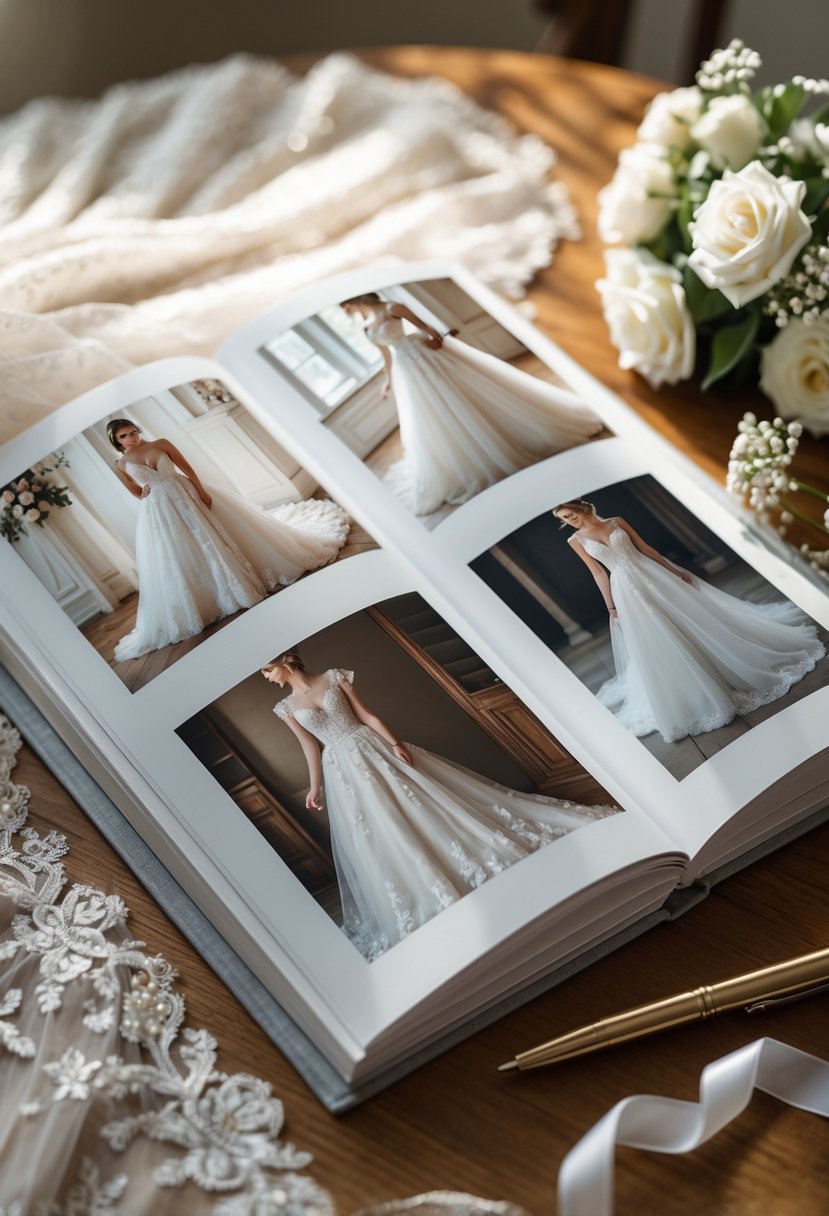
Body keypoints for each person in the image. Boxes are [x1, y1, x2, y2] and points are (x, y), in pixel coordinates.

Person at [262, 652, 616, 959]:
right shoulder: (285, 708)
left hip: (373, 747)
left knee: (425, 804)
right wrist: (315, 787)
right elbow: (310, 747)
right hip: (341, 768)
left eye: (267, 670)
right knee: (382, 827)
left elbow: (367, 716)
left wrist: (396, 743)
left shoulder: (334, 676)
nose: (267, 678)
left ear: (281, 661)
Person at [553, 499, 825, 742]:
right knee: (658, 636)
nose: (568, 521)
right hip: (624, 588)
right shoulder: (576, 540)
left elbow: (645, 548)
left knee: (693, 620)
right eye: (563, 519)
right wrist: (611, 606)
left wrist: (672, 571)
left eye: (569, 515)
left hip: (653, 575)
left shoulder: (616, 522)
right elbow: (598, 573)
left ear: (579, 507)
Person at [107, 419, 349, 660]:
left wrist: (201, 491)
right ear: (116, 441)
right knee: (183, 549)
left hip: (185, 492)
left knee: (215, 533)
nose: (131, 438)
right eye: (124, 437)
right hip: (161, 509)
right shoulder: (122, 463)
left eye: (132, 432)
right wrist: (146, 492)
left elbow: (187, 469)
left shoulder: (160, 444)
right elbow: (136, 491)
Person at [340, 294, 602, 515]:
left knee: (461, 395)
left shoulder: (391, 307)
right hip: (406, 368)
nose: (348, 311)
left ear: (353, 300)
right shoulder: (366, 327)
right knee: (434, 413)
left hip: (425, 354)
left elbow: (423, 326)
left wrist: (436, 338)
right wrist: (387, 382)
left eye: (346, 306)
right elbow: (386, 355)